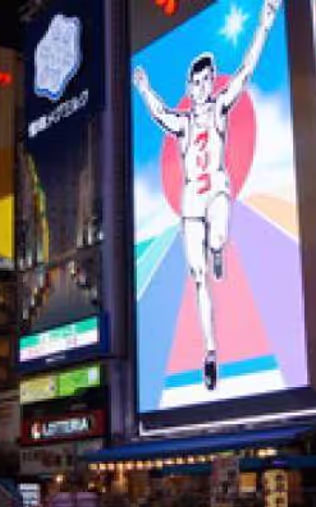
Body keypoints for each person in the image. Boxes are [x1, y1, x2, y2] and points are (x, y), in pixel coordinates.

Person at [131, 0, 281, 390]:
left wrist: (264, 25)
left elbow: (246, 71)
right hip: (191, 202)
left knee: (218, 238)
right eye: (197, 82)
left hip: (216, 188)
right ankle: (211, 351)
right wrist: (144, 89)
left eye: (207, 80)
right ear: (190, 86)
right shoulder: (183, 122)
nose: (202, 87)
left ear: (212, 82)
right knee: (198, 277)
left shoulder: (219, 109)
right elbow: (160, 114)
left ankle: (217, 248)